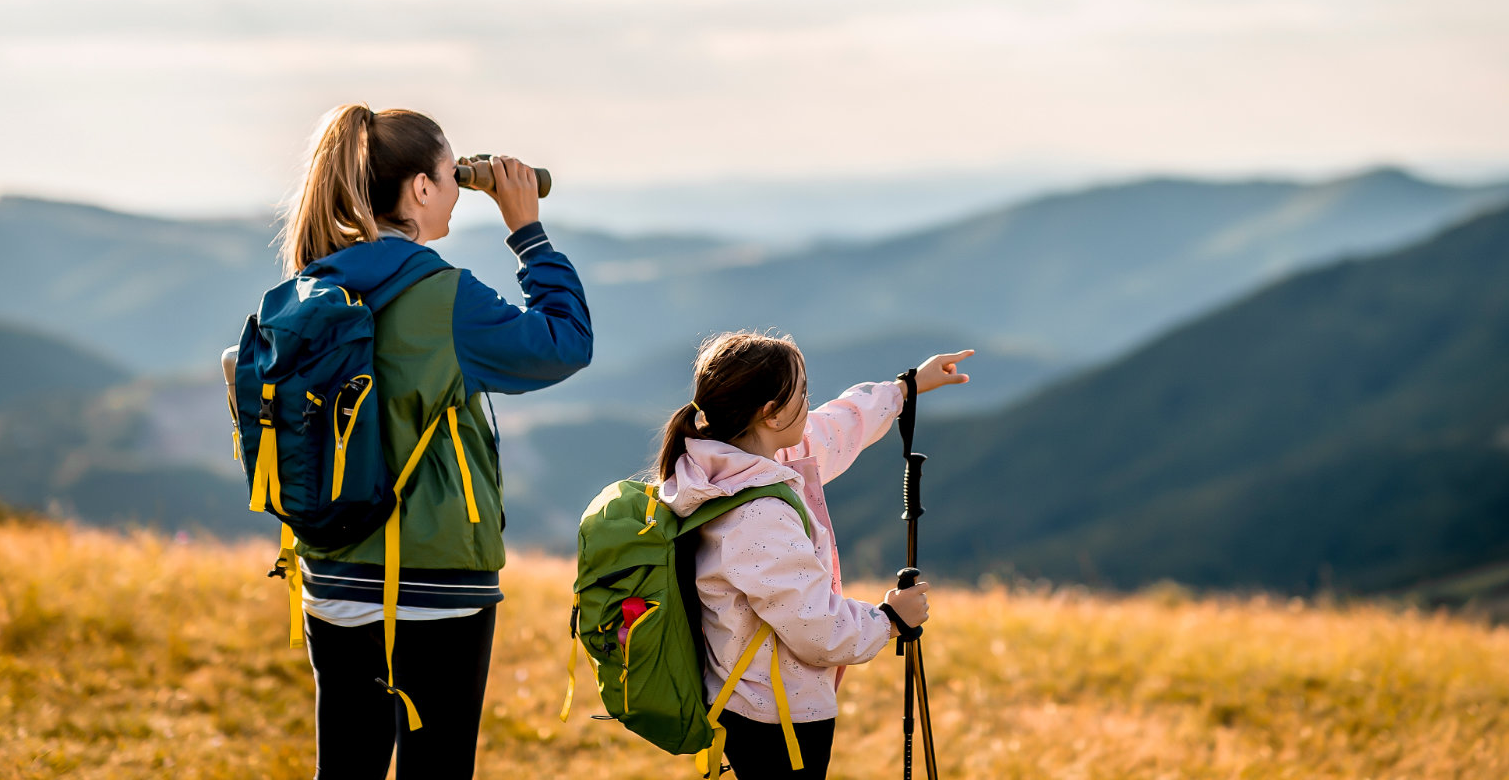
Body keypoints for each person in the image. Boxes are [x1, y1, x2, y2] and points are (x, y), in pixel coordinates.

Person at [255, 103, 591, 779]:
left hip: (333, 571)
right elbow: (565, 343)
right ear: (420, 189)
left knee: (345, 769)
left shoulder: (309, 285)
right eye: (449, 176)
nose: (456, 196)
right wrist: (528, 231)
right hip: (437, 582)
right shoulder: (443, 297)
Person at [654, 332, 972, 779]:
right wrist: (890, 619)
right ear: (771, 414)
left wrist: (905, 388)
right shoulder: (758, 514)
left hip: (747, 697)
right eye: (803, 393)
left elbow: (834, 427)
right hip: (775, 716)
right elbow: (816, 628)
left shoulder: (725, 464)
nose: (809, 403)